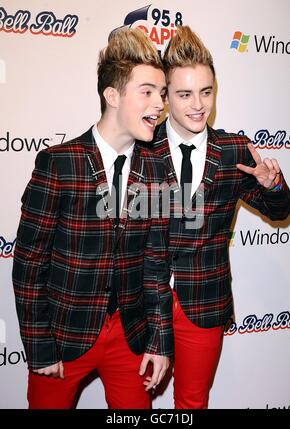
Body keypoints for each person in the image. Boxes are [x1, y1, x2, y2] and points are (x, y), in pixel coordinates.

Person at [12, 27, 173, 409]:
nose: (160, 104)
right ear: (112, 95)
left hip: (130, 338)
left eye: (162, 93)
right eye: (147, 91)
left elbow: (155, 264)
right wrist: (40, 348)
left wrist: (160, 341)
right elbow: (29, 262)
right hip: (64, 336)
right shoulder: (59, 163)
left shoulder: (158, 171)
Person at [151, 25, 290, 409]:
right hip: (143, 304)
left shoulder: (233, 151)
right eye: (184, 94)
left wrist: (272, 185)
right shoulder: (140, 146)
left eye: (206, 92)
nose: (198, 105)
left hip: (205, 301)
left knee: (193, 402)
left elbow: (280, 212)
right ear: (165, 96)